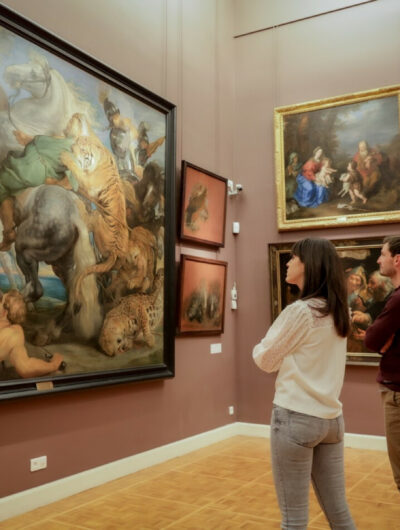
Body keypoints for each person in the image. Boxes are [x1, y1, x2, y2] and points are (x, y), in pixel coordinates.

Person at [252, 238, 355, 529]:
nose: (287, 263)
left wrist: (262, 346)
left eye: (293, 258)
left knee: (294, 519)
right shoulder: (339, 310)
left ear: (308, 264)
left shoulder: (301, 311)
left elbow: (265, 360)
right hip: (332, 421)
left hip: (296, 420)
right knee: (339, 511)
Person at [364, 236, 400, 492]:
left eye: (382, 254)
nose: (378, 259)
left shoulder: (398, 300)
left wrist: (381, 337)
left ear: (397, 260)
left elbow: (372, 339)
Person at [0, 290, 64, 378]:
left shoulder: (13, 334)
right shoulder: (13, 334)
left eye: (1, 301)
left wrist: (54, 365)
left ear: (5, 311)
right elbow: (26, 368)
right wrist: (54, 365)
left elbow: (26, 368)